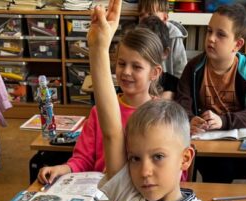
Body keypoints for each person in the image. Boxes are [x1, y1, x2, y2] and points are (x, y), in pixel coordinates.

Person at [90, 0, 218, 201]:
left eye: (158, 157)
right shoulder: (127, 193)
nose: (144, 171)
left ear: (185, 158)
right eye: (135, 158)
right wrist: (98, 48)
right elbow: (111, 131)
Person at [36, 26, 164, 185]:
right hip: (98, 193)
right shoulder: (99, 112)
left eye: (136, 67)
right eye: (121, 63)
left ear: (154, 72)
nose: (126, 72)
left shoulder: (163, 117)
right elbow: (83, 158)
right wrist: (63, 169)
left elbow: (169, 169)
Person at [174, 2, 246, 182]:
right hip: (208, 144)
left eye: (220, 34)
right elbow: (182, 103)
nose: (211, 38)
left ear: (237, 44)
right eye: (209, 31)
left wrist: (223, 121)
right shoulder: (193, 67)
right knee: (218, 171)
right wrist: (191, 119)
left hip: (239, 143)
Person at [137, 0, 187, 82]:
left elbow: (180, 71)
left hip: (169, 85)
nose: (145, 19)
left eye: (151, 14)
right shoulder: (139, 35)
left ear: (165, 18)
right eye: (141, 15)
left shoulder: (174, 36)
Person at [138, 15, 177, 100]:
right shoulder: (131, 81)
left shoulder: (174, 85)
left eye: (152, 49)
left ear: (165, 53)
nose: (145, 53)